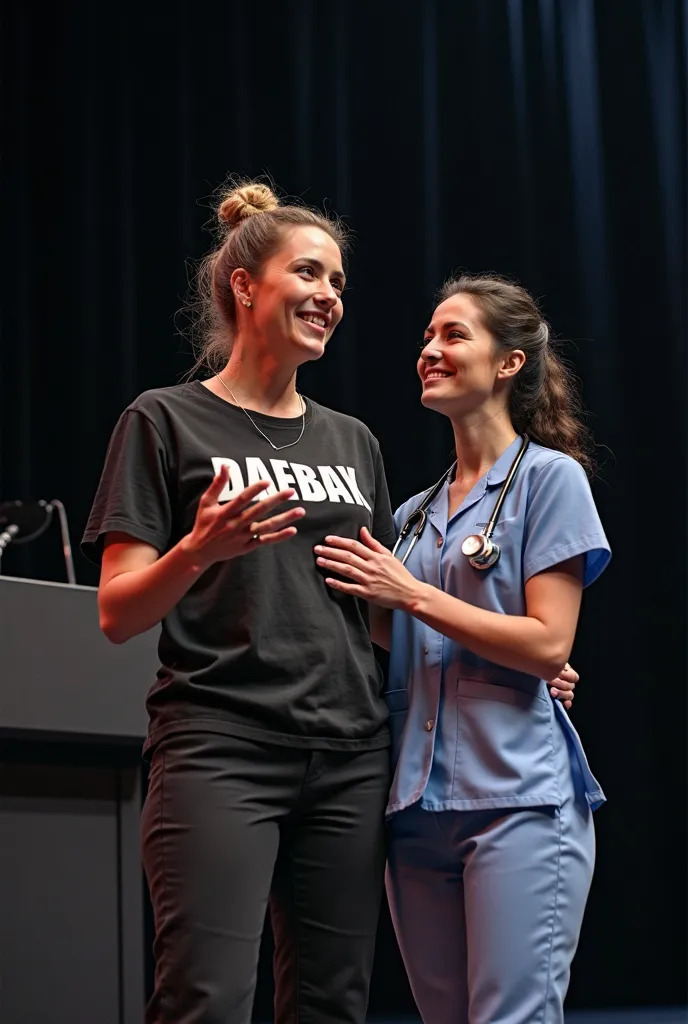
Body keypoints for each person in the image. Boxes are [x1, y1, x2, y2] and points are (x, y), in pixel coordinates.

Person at [81, 180, 400, 1024]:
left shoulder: (353, 441)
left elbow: (385, 608)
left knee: (334, 1004)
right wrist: (196, 549)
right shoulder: (163, 420)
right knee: (206, 1001)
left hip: (350, 752)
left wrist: (516, 666)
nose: (329, 297)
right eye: (309, 274)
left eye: (338, 283)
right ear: (245, 285)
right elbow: (118, 612)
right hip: (220, 744)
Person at [314, 273, 610, 1024]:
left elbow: (548, 643)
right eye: (426, 337)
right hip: (416, 809)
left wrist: (411, 595)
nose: (429, 351)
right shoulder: (414, 513)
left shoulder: (551, 480)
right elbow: (403, 633)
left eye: (453, 335)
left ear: (509, 363)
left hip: (518, 802)